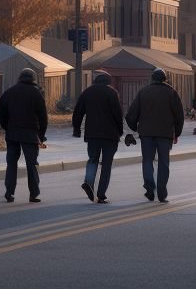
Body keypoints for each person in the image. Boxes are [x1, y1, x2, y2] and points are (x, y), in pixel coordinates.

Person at [125, 68, 184, 203]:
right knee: (163, 163)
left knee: (147, 161)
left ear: (152, 78)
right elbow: (179, 116)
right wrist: (177, 133)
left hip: (146, 134)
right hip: (165, 134)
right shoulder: (171, 92)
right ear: (164, 79)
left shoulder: (144, 92)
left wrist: (135, 128)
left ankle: (149, 188)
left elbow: (131, 114)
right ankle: (162, 192)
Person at [72, 70, 123, 204]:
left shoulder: (87, 92)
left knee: (92, 159)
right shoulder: (112, 93)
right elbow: (118, 115)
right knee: (106, 164)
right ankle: (101, 195)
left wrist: (76, 129)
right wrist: (120, 130)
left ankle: (88, 182)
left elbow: (78, 112)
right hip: (110, 135)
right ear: (108, 81)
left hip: (92, 134)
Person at [0, 68, 48, 203]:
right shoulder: (36, 94)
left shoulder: (9, 92)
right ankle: (34, 194)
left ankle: (9, 192)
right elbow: (43, 117)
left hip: (12, 133)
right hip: (30, 134)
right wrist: (41, 135)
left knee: (11, 162)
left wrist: (7, 127)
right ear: (33, 79)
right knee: (32, 164)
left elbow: (1, 112)